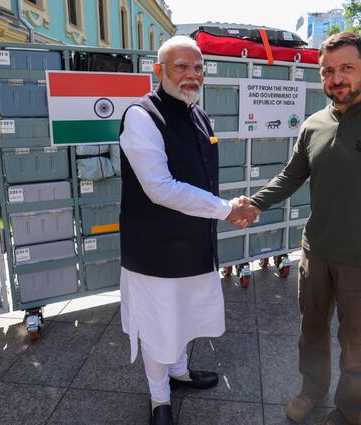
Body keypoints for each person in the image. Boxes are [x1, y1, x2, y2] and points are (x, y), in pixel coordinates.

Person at [241, 32, 361, 425]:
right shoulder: (314, 124)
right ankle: (312, 389)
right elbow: (292, 175)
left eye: (346, 68)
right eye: (328, 71)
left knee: (358, 346)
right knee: (311, 332)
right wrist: (254, 203)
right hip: (316, 253)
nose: (336, 78)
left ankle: (350, 412)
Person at [118, 35, 256, 425]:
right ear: (159, 71)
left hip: (193, 243)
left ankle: (178, 372)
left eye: (198, 67)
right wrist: (227, 209)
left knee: (183, 315)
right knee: (157, 321)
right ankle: (159, 397)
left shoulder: (197, 112)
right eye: (182, 66)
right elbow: (159, 187)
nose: (192, 74)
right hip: (154, 249)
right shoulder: (141, 116)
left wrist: (225, 208)